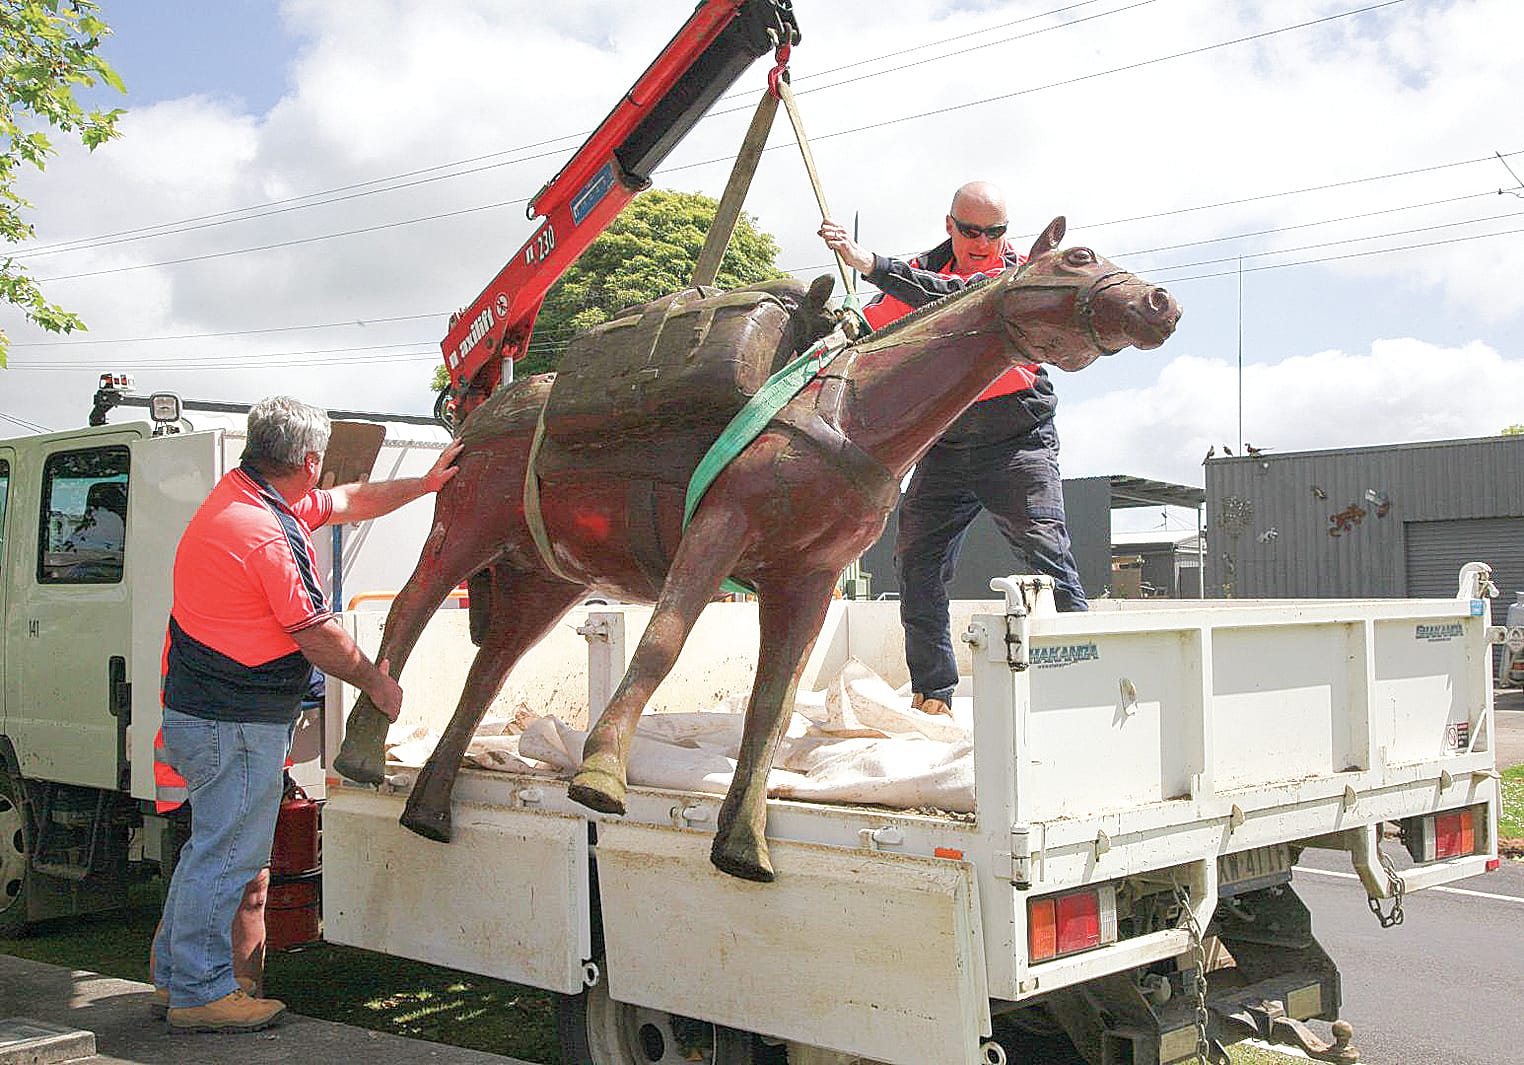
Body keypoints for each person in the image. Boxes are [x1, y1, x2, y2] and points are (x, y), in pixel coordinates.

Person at [151, 397, 462, 1033]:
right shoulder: (263, 532)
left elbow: (349, 501)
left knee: (209, 852)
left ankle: (176, 980)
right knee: (229, 857)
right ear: (309, 459)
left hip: (209, 715)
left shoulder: (248, 497)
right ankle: (201, 995)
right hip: (232, 723)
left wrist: (428, 484)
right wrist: (378, 683)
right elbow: (315, 633)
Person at [819, 181, 1087, 717]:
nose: (984, 242)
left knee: (1045, 552)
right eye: (972, 231)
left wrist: (870, 260)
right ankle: (933, 693)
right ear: (950, 225)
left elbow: (958, 298)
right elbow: (874, 325)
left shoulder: (1020, 274)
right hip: (945, 440)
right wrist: (844, 316)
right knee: (916, 563)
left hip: (1018, 439)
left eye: (996, 231)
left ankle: (1083, 682)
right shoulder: (918, 272)